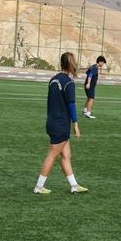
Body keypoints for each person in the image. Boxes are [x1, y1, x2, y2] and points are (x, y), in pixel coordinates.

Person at [33, 52, 88, 195]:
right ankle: (39, 187)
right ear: (71, 64)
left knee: (66, 155)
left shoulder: (53, 80)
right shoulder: (69, 82)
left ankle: (74, 185)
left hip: (52, 121)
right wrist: (75, 124)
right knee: (52, 155)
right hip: (61, 124)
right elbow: (71, 105)